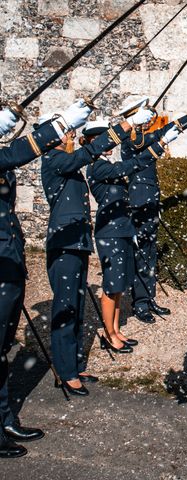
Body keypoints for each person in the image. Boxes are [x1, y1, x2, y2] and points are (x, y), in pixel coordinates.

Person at [40, 107, 154, 395]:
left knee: (76, 309)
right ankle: (65, 372)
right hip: (63, 245)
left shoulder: (67, 162)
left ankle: (75, 365)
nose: (70, 136)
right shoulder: (54, 160)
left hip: (77, 243)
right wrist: (126, 125)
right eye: (64, 133)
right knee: (65, 309)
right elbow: (87, 154)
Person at [0, 100, 91, 457]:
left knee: (3, 348)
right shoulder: (52, 159)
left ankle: (5, 417)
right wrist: (58, 126)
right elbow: (16, 155)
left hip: (8, 261)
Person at [86, 121, 180, 353]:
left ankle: (116, 330)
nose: (108, 143)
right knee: (111, 286)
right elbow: (128, 167)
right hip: (110, 232)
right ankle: (109, 334)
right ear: (91, 142)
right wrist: (159, 145)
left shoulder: (106, 164)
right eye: (102, 139)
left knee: (118, 286)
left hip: (121, 230)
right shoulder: (97, 166)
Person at [122, 108, 187, 324]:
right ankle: (139, 303)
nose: (148, 123)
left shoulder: (142, 140)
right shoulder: (130, 140)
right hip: (139, 205)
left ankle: (149, 299)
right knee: (141, 255)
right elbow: (154, 137)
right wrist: (182, 122)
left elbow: (157, 135)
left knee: (150, 255)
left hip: (150, 204)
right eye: (143, 119)